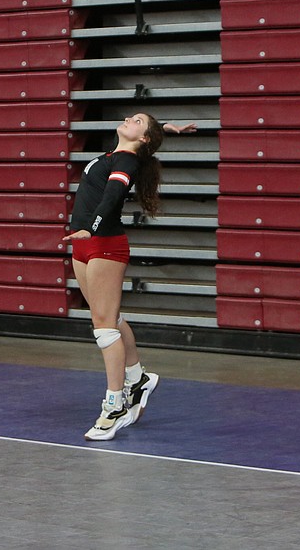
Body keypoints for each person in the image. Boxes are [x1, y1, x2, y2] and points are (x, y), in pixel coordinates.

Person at [63, 114, 196, 440]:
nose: (127, 118)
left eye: (135, 120)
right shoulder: (122, 153)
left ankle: (115, 405)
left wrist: (89, 229)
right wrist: (166, 127)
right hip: (84, 246)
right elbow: (146, 137)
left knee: (104, 329)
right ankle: (137, 379)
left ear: (143, 138)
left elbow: (112, 197)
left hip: (103, 246)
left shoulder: (127, 159)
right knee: (108, 316)